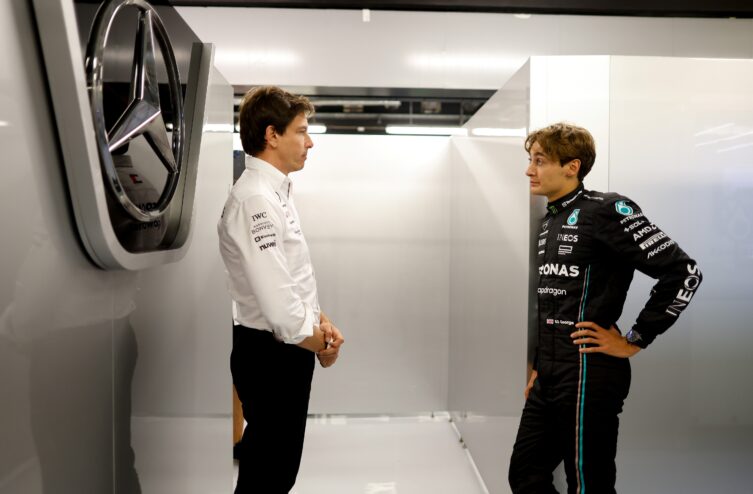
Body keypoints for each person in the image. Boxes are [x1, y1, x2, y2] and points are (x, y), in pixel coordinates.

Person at [509, 122, 702, 493]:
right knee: (525, 475)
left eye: (540, 160)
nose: (529, 170)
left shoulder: (607, 210)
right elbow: (553, 300)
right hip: (550, 374)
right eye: (530, 160)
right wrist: (538, 365)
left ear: (572, 166)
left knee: (588, 485)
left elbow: (684, 273)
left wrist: (634, 339)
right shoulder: (549, 220)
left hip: (588, 371)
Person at [217, 86, 344, 494]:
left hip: (285, 348)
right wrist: (323, 343)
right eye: (301, 131)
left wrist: (322, 322)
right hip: (271, 354)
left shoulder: (276, 191)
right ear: (272, 135)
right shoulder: (255, 199)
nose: (310, 142)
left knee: (276, 473)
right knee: (267, 478)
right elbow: (279, 308)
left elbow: (292, 279)